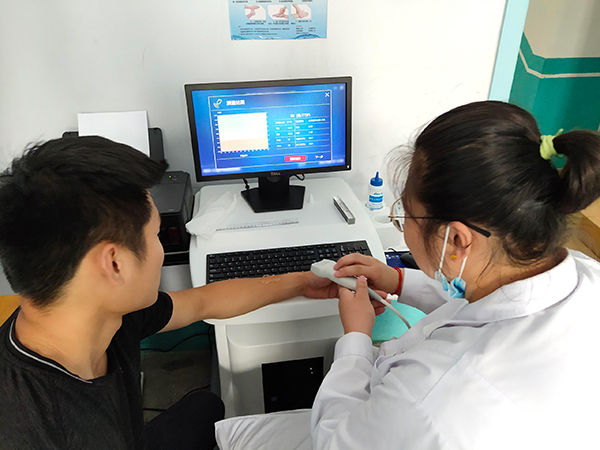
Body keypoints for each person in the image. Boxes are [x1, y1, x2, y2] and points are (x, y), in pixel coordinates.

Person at [0, 136, 337, 450]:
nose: (160, 251)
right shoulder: (40, 428)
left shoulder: (93, 309)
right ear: (114, 263)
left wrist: (302, 282)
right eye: (156, 236)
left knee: (206, 406)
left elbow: (201, 302)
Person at [311, 101, 600, 449]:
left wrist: (356, 339)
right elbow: (490, 304)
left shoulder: (433, 394)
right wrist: (399, 280)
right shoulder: (584, 274)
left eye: (406, 214)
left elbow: (334, 441)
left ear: (457, 240)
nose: (402, 225)